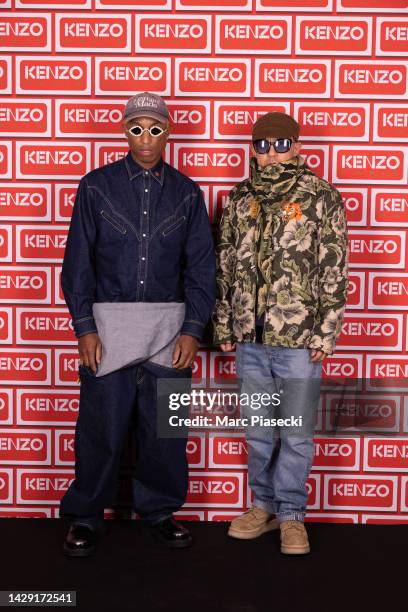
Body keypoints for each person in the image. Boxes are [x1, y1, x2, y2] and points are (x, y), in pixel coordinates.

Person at [60, 92, 216, 556]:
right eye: (136, 128)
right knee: (100, 430)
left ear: (168, 132)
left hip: (169, 331)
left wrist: (192, 327)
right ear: (123, 131)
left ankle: (162, 512)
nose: (145, 138)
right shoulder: (96, 187)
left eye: (154, 128)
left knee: (164, 432)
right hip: (108, 331)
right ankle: (86, 516)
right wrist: (85, 326)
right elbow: (77, 264)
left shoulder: (187, 193)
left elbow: (202, 269)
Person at [212, 112, 348, 554]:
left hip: (298, 341)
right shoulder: (238, 198)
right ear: (252, 149)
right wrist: (224, 324)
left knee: (295, 433)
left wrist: (324, 333)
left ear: (297, 146)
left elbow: (334, 268)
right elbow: (224, 264)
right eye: (262, 144)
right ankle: (263, 505)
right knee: (257, 430)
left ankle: (291, 514)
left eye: (280, 143)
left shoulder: (321, 196)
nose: (271, 152)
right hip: (250, 338)